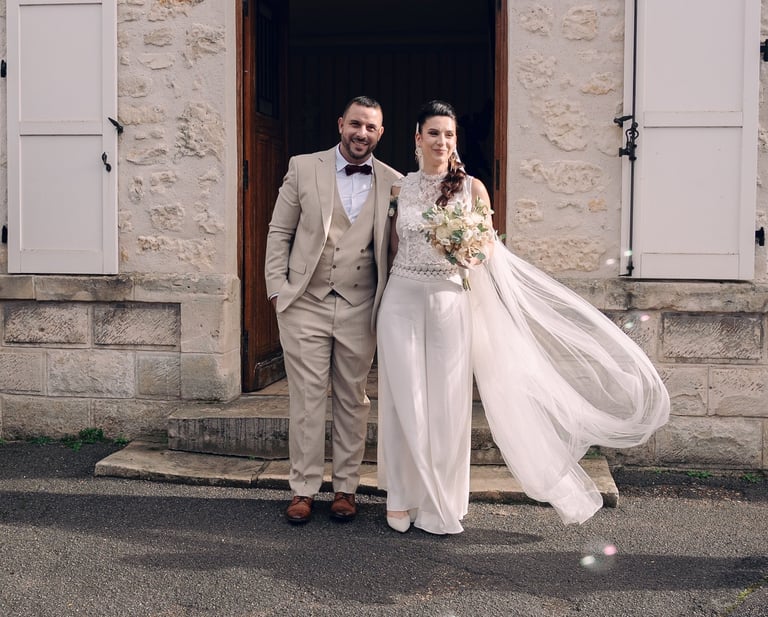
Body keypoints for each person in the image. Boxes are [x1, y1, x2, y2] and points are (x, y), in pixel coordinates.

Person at [376, 100, 670, 535]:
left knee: (445, 404)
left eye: (449, 134)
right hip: (400, 298)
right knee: (405, 402)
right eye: (433, 132)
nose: (442, 141)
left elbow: (485, 252)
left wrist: (466, 250)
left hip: (448, 301)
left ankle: (441, 501)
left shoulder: (471, 189)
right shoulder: (399, 189)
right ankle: (401, 496)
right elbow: (393, 248)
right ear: (417, 137)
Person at [265, 96, 401, 524]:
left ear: (381, 134)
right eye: (355, 124)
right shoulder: (305, 167)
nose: (362, 133)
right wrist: (277, 293)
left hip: (361, 305)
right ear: (341, 123)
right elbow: (278, 232)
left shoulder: (394, 181)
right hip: (304, 303)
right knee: (306, 400)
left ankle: (346, 488)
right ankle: (303, 489)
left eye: (371, 128)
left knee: (352, 400)